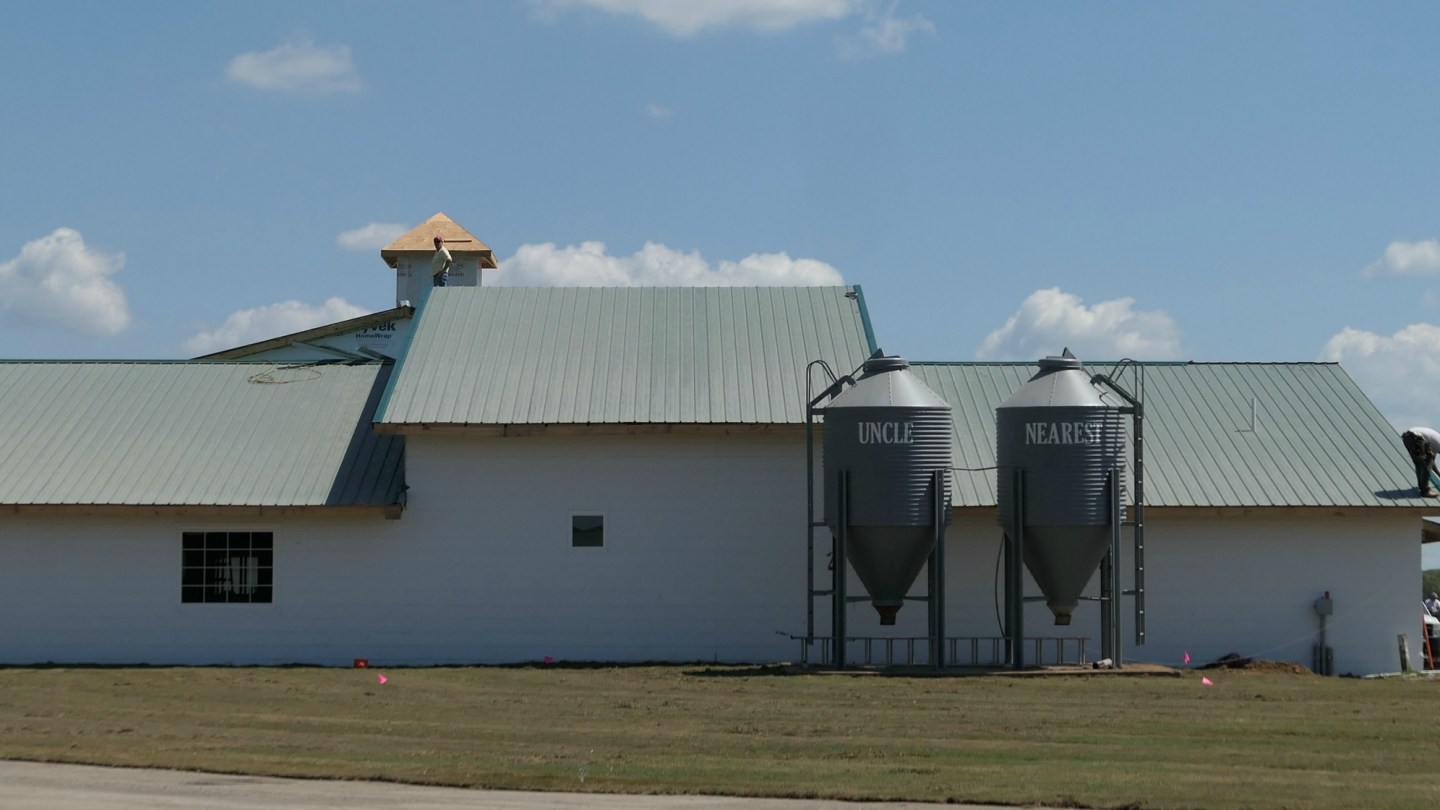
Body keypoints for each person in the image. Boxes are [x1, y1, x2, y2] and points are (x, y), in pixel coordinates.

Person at [1400, 427, 1440, 497]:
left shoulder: (1436, 443)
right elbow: (1431, 463)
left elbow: (1432, 463)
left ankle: (1422, 487)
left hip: (1407, 437)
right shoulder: (1438, 444)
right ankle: (1425, 490)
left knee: (1419, 463)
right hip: (1416, 438)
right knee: (1426, 462)